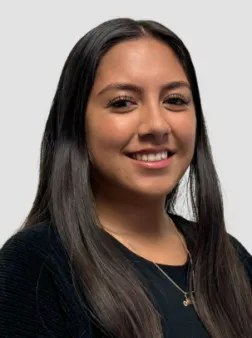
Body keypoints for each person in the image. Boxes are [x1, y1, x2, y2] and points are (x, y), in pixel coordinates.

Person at [0, 17, 252, 338]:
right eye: (123, 103)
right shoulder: (34, 269)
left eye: (175, 100)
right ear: (76, 125)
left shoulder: (233, 260)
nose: (157, 125)